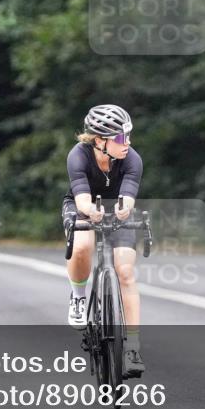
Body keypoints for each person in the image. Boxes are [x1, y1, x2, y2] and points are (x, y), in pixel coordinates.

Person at [62, 104, 145, 378]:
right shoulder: (78, 156)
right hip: (81, 204)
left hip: (115, 208)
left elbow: (129, 196)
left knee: (125, 272)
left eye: (128, 136)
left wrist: (123, 208)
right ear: (100, 140)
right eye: (121, 138)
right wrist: (90, 212)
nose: (128, 143)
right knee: (84, 245)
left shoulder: (132, 158)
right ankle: (77, 296)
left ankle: (132, 347)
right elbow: (82, 198)